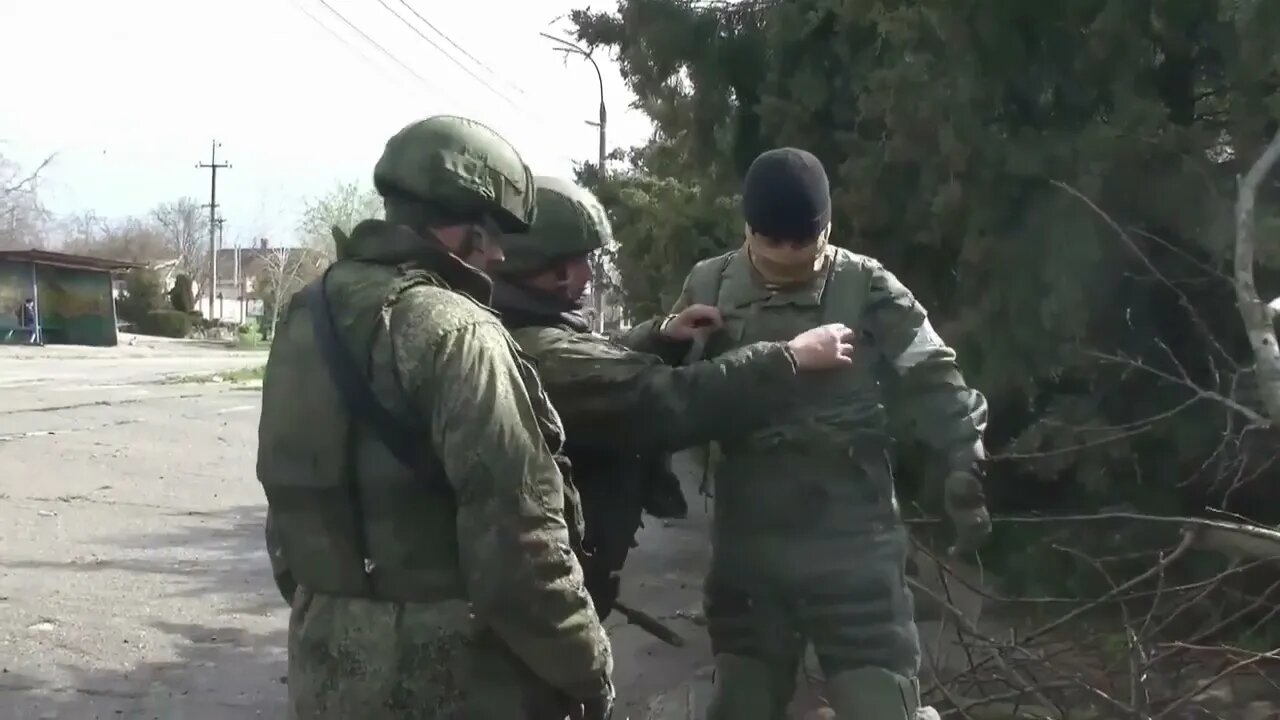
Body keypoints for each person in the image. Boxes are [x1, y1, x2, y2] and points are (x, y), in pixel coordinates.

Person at [256, 116, 613, 720]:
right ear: (467, 231)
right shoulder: (459, 331)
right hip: (454, 678)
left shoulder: (304, 314)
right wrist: (588, 667)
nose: (499, 255)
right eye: (495, 235)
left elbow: (285, 516)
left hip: (324, 668)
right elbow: (520, 541)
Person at [630, 148, 991, 719]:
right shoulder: (710, 282)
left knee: (882, 702)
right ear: (749, 230)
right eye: (777, 243)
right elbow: (666, 392)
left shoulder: (867, 285)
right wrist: (667, 338)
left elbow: (933, 372)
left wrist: (964, 459)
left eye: (806, 242)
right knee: (741, 700)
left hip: (855, 545)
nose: (792, 256)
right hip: (751, 547)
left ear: (828, 226)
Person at [488, 176, 859, 623]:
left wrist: (661, 336)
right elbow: (666, 399)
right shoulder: (540, 351)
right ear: (547, 268)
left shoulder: (524, 328)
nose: (590, 274)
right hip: (544, 604)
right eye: (579, 261)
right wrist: (790, 359)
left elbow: (599, 366)